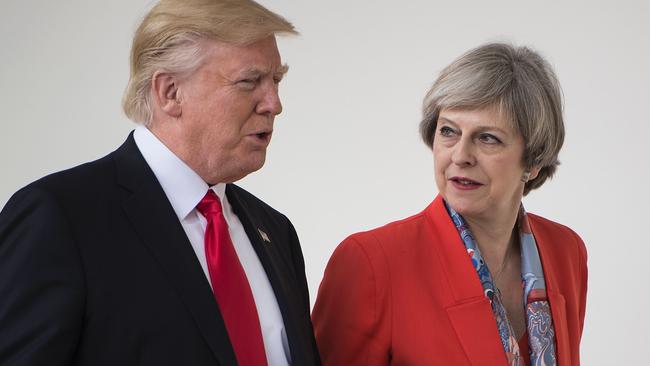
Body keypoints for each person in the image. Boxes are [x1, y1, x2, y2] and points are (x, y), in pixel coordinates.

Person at [0, 0, 321, 365]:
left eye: (276, 80)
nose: (274, 103)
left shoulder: (275, 232)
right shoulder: (60, 217)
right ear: (169, 92)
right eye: (250, 81)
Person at [312, 43, 587, 366]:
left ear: (534, 160)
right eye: (448, 132)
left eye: (487, 138)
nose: (460, 156)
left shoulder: (564, 251)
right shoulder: (371, 263)